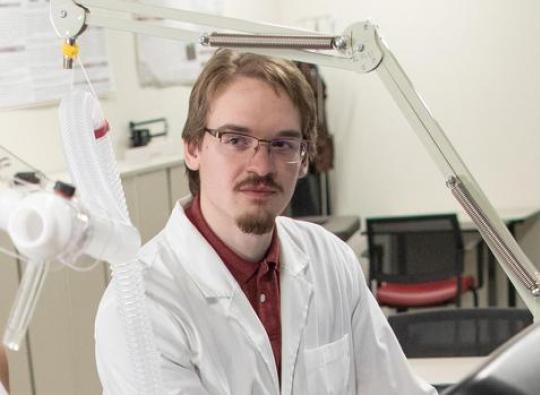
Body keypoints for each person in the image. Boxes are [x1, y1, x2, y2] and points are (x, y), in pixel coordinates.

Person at [95, 49, 436, 394]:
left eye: (282, 143)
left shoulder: (331, 258)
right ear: (193, 149)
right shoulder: (139, 306)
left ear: (304, 160)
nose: (261, 165)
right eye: (236, 140)